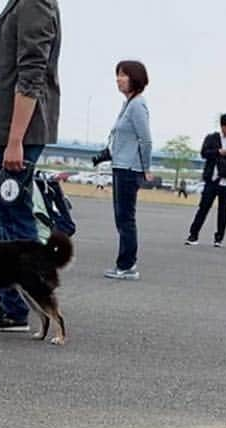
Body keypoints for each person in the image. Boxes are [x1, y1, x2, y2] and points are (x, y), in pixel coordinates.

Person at [0, 0, 62, 333]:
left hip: (15, 133)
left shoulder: (35, 4)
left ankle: (14, 307)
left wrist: (16, 138)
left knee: (12, 216)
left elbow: (31, 73)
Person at [92, 59, 152, 280]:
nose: (118, 79)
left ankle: (127, 265)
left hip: (130, 168)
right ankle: (125, 263)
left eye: (123, 75)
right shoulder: (128, 103)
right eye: (117, 74)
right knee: (121, 218)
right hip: (120, 165)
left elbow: (145, 140)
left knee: (126, 218)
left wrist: (145, 168)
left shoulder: (138, 105)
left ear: (135, 78)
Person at [186, 114, 226, 247]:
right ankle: (193, 235)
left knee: (223, 211)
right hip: (212, 180)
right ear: (222, 126)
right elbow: (204, 153)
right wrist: (219, 152)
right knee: (203, 208)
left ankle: (219, 238)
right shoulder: (212, 138)